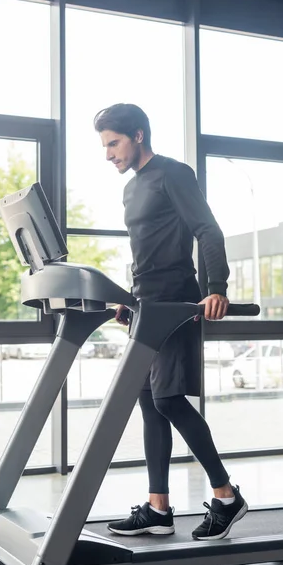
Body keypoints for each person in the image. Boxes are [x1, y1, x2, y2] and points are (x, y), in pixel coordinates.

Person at [93, 103, 248, 541]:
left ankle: (226, 496)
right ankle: (158, 508)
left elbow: (207, 230)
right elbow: (146, 253)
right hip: (146, 307)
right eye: (104, 146)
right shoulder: (131, 190)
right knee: (148, 403)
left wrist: (215, 286)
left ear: (138, 135)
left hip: (177, 304)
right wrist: (130, 300)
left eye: (114, 143)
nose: (108, 154)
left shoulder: (173, 174)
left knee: (168, 400)